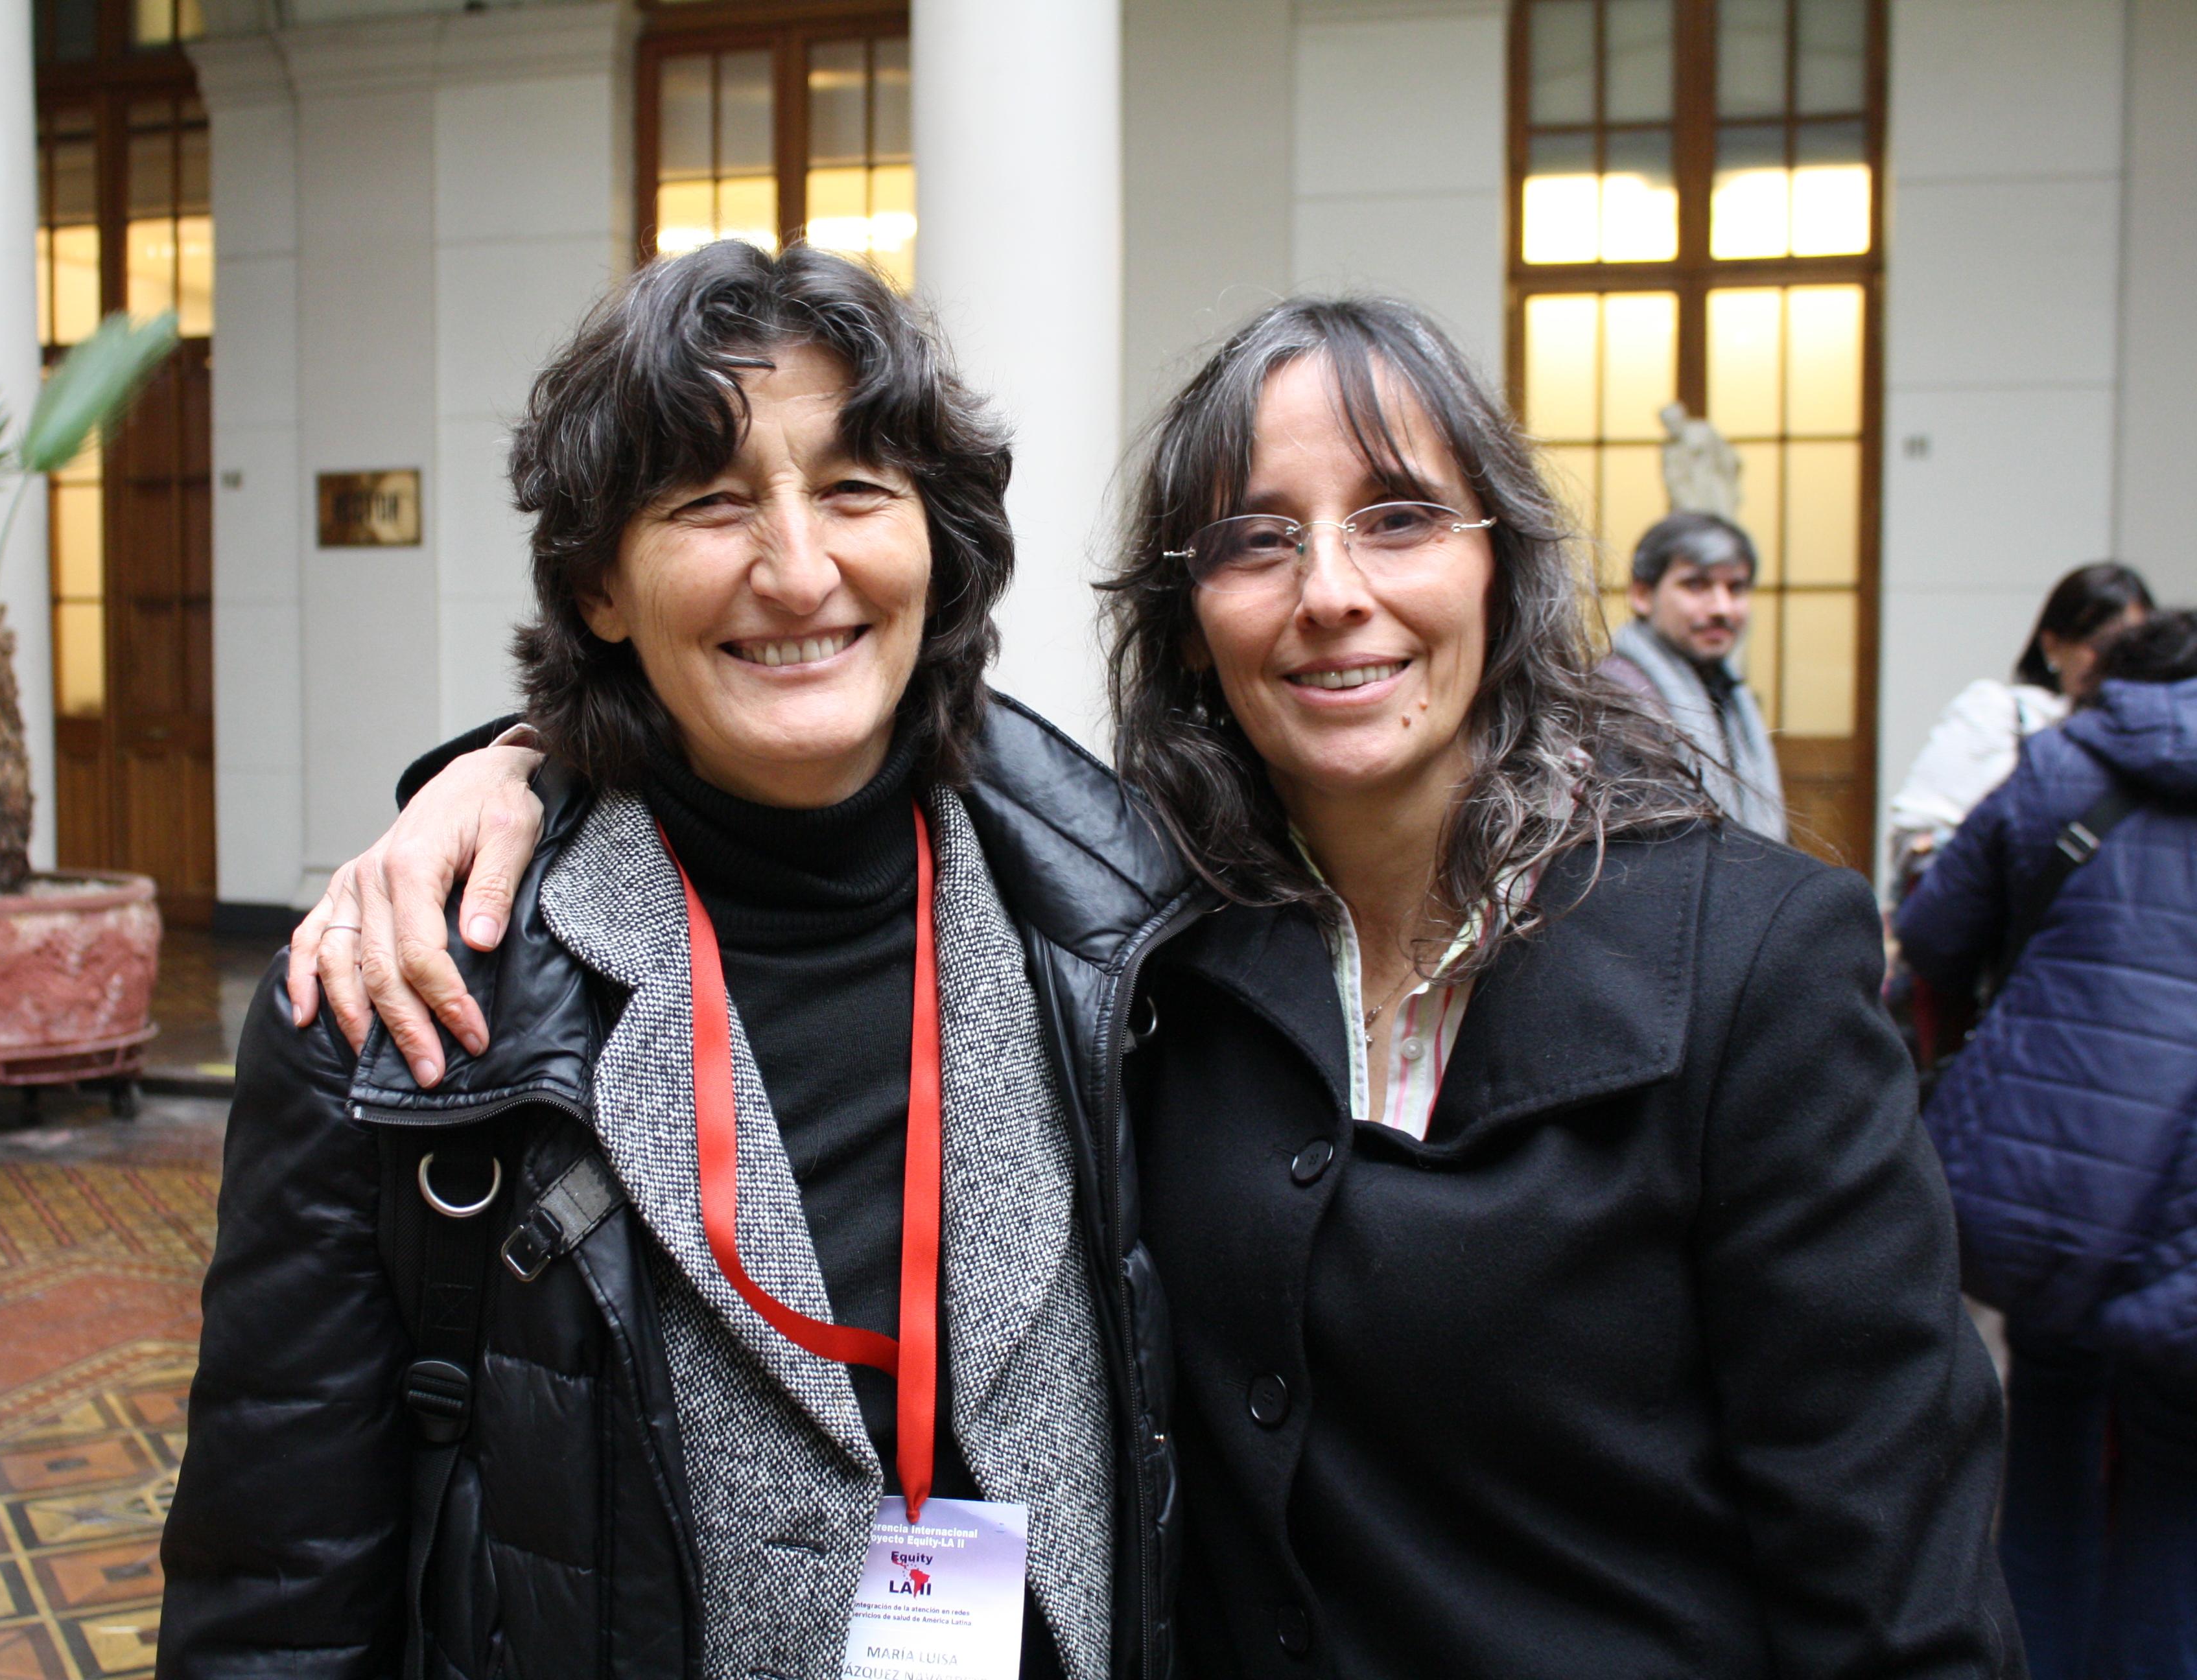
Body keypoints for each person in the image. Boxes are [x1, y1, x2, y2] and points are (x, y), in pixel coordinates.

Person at [305, 295, 2021, 1677]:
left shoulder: (1755, 964)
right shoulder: (1157, 939)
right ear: (1191, 612)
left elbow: (1897, 1582)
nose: (1334, 596)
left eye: (1403, 521)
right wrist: (517, 767)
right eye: (1259, 540)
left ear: (1504, 568)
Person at [158, 242, 1199, 1680]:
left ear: (938, 546)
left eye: (854, 491)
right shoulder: (402, 1012)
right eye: (710, 504)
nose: (798, 568)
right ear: (599, 587)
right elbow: (276, 1592)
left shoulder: (1126, 931)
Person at [1895, 610, 2197, 1680]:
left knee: (2049, 1425)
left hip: (2059, 1170)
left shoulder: (2062, 760)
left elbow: (1932, 935)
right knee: (2173, 1481)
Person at [1885, 561, 2154, 887]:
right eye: (2096, 642)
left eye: (2130, 645)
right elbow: (1915, 840)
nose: (2112, 659)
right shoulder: (1999, 713)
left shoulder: (2158, 736)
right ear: (2052, 644)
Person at [1595, 510, 1789, 840]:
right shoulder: (1614, 696)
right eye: (1697, 585)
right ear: (1642, 596)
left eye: (1736, 588)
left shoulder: (1728, 688)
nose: (1722, 608)